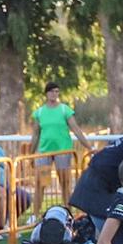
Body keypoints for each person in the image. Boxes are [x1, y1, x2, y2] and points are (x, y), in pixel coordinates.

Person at [31, 83, 92, 218]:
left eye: (57, 92)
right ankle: (35, 215)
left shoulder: (65, 110)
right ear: (46, 93)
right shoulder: (40, 112)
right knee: (40, 184)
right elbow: (35, 134)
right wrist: (30, 153)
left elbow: (76, 129)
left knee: (65, 183)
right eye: (52, 92)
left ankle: (68, 213)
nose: (54, 94)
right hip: (45, 152)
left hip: (63, 151)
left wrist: (89, 147)